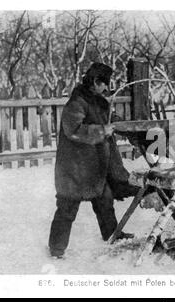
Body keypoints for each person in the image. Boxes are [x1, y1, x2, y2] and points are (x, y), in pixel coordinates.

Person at [48, 62, 137, 258]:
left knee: (105, 201)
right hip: (74, 169)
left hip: (94, 168)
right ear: (95, 82)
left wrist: (120, 123)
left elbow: (109, 117)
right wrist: (100, 131)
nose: (106, 88)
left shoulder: (99, 102)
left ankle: (112, 237)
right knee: (67, 209)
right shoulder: (77, 103)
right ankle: (56, 249)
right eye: (103, 84)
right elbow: (73, 130)